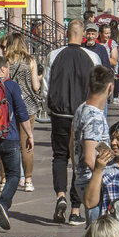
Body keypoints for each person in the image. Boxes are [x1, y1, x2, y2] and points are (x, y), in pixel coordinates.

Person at [47, 21, 101, 224]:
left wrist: (49, 109)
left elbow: (46, 84)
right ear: (83, 35)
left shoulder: (54, 55)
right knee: (80, 162)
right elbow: (97, 87)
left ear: (67, 34)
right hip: (83, 114)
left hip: (59, 114)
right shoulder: (92, 56)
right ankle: (75, 210)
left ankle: (60, 196)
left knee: (60, 156)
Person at [0, 57, 33, 231]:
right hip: (9, 136)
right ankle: (3, 204)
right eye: (8, 68)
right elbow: (21, 112)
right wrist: (29, 134)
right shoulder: (11, 86)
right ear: (3, 69)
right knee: (13, 175)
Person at [72, 66, 118, 224]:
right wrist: (109, 181)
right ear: (110, 87)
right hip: (92, 181)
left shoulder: (82, 109)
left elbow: (73, 143)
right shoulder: (94, 117)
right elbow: (90, 158)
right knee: (97, 231)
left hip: (83, 178)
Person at [6, 35, 42, 189]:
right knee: (27, 143)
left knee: (7, 142)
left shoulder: (6, 60)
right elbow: (35, 87)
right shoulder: (31, 60)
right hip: (28, 106)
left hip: (9, 106)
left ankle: (4, 180)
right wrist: (39, 78)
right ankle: (28, 180)